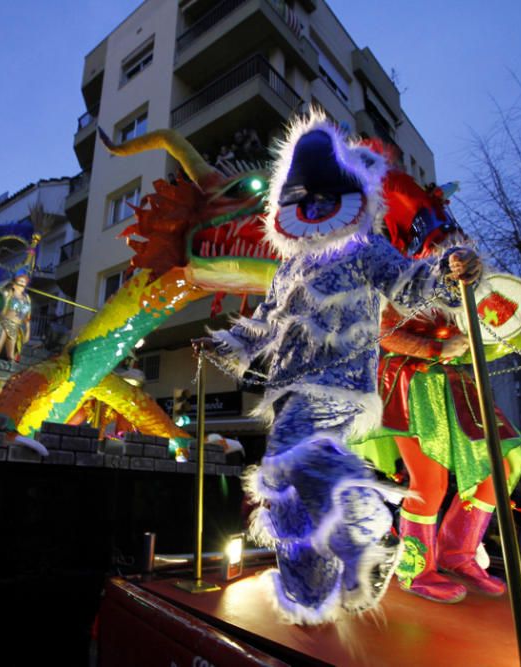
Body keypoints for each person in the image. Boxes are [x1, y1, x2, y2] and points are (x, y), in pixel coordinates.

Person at [200, 114, 481, 623]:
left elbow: (410, 284)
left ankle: (364, 518)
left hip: (337, 382)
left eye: (326, 198)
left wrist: (448, 268)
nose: (315, 209)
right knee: (282, 496)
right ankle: (311, 585)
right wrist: (228, 343)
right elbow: (263, 323)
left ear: (350, 198)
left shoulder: (364, 247)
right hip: (289, 388)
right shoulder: (288, 268)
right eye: (306, 201)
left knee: (287, 463)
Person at [352, 173, 521, 603]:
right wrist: (438, 346)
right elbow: (383, 334)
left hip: (458, 388)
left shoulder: (462, 275)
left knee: (500, 471)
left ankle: (458, 552)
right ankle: (415, 569)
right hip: (410, 387)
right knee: (428, 479)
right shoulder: (390, 278)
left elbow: (487, 323)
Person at [0, 272, 33, 361]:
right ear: (15, 282)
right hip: (5, 322)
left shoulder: (27, 298)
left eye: (25, 282)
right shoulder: (9, 292)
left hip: (16, 326)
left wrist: (28, 328)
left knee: (11, 354)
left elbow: (27, 317)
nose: (23, 283)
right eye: (21, 281)